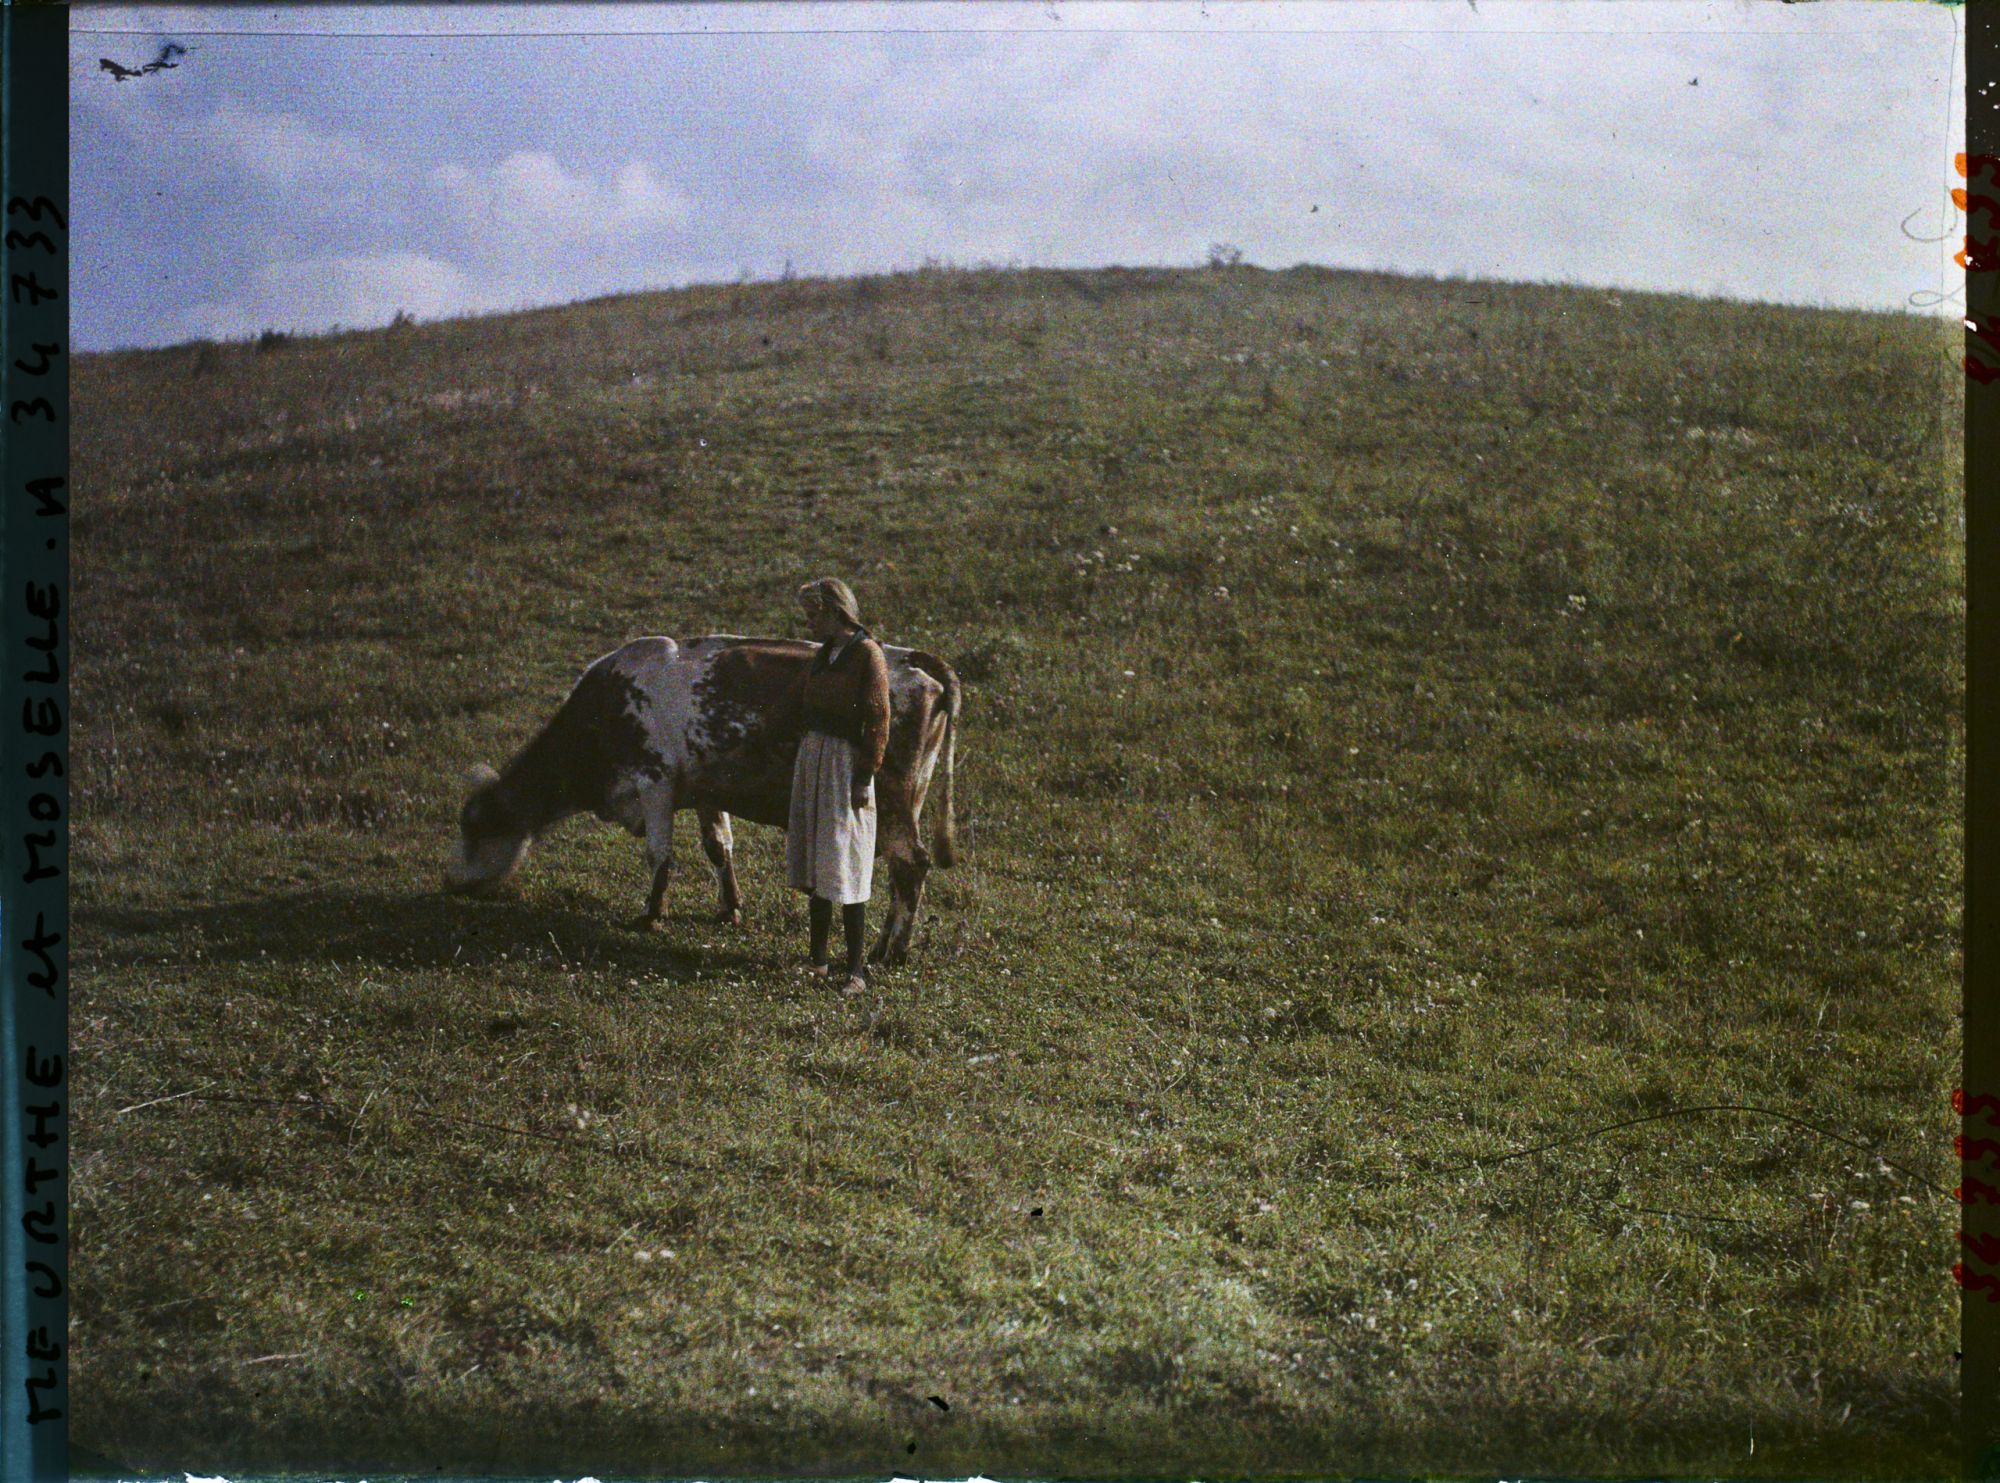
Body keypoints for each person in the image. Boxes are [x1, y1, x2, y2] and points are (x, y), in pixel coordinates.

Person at [788, 577, 891, 993]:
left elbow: (879, 720)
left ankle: (856, 970)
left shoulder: (867, 654)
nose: (809, 624)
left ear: (833, 612)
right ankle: (817, 961)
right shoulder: (824, 654)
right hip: (814, 758)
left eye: (814, 615)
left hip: (844, 764)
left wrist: (864, 777)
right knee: (819, 856)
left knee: (846, 859)